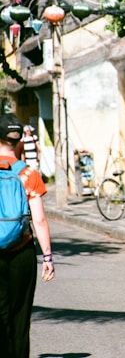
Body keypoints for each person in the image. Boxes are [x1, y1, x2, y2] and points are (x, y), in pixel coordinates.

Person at [0, 114, 54, 357]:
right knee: (20, 316)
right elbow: (39, 220)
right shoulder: (29, 173)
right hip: (22, 252)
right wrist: (48, 258)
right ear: (19, 140)